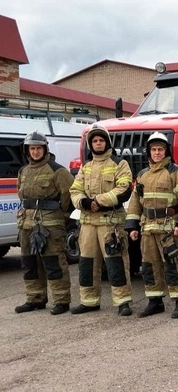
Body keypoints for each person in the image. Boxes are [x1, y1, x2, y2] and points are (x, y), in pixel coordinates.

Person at [125, 132, 178, 319]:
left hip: (169, 228)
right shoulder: (142, 175)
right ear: (149, 151)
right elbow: (135, 202)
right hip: (148, 229)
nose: (157, 153)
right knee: (149, 266)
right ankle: (154, 302)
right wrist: (132, 225)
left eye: (160, 149)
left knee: (174, 265)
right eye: (154, 149)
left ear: (167, 151)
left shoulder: (177, 172)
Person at [69, 124, 134, 316]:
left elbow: (124, 188)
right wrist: (84, 203)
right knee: (87, 263)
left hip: (110, 223)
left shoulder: (119, 163)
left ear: (107, 142)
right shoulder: (86, 166)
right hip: (88, 223)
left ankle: (123, 302)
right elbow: (74, 190)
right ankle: (89, 301)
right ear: (91, 144)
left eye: (101, 140)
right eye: (95, 141)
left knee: (116, 263)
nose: (98, 143)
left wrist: (98, 201)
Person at [14, 131, 74, 315]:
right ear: (27, 150)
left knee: (53, 263)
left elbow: (69, 196)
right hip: (26, 224)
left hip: (50, 225)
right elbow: (20, 194)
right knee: (29, 262)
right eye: (32, 148)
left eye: (38, 148)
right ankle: (35, 298)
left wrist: (59, 217)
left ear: (45, 149)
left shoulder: (57, 170)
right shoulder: (23, 171)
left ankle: (61, 301)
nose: (35, 152)